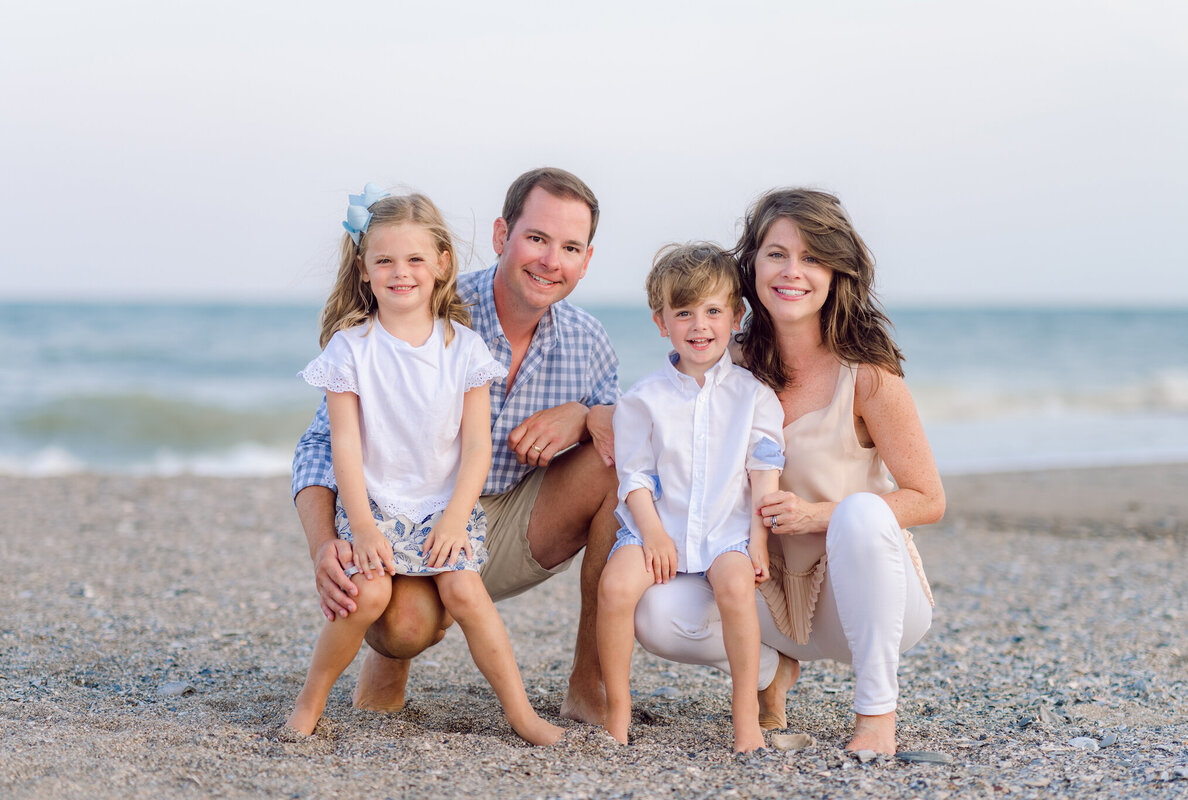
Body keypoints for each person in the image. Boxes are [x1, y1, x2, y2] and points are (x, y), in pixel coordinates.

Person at [291, 168, 620, 725]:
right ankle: (389, 659)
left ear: (586, 260)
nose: (550, 260)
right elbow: (323, 442)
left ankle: (588, 682)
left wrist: (588, 416)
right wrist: (326, 543)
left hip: (510, 517)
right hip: (411, 511)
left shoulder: (589, 340)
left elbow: (629, 427)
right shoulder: (427, 303)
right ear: (501, 236)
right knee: (403, 629)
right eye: (536, 239)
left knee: (617, 466)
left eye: (570, 247)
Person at [632, 189, 945, 755]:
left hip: (866, 597)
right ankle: (771, 669)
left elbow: (929, 498)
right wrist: (598, 417)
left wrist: (818, 514)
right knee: (656, 614)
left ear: (836, 272)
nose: (792, 272)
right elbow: (657, 410)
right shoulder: (728, 361)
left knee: (861, 514)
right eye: (776, 254)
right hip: (763, 586)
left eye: (812, 257)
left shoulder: (868, 374)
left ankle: (877, 717)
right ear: (751, 266)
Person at [596, 244, 784, 752]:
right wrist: (653, 533)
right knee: (614, 589)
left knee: (736, 587)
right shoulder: (642, 399)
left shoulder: (754, 397)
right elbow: (634, 478)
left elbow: (765, 470)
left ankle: (746, 716)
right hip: (658, 524)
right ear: (662, 322)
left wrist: (757, 541)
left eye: (713, 311)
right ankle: (617, 709)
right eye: (684, 313)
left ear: (736, 316)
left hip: (727, 528)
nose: (699, 326)